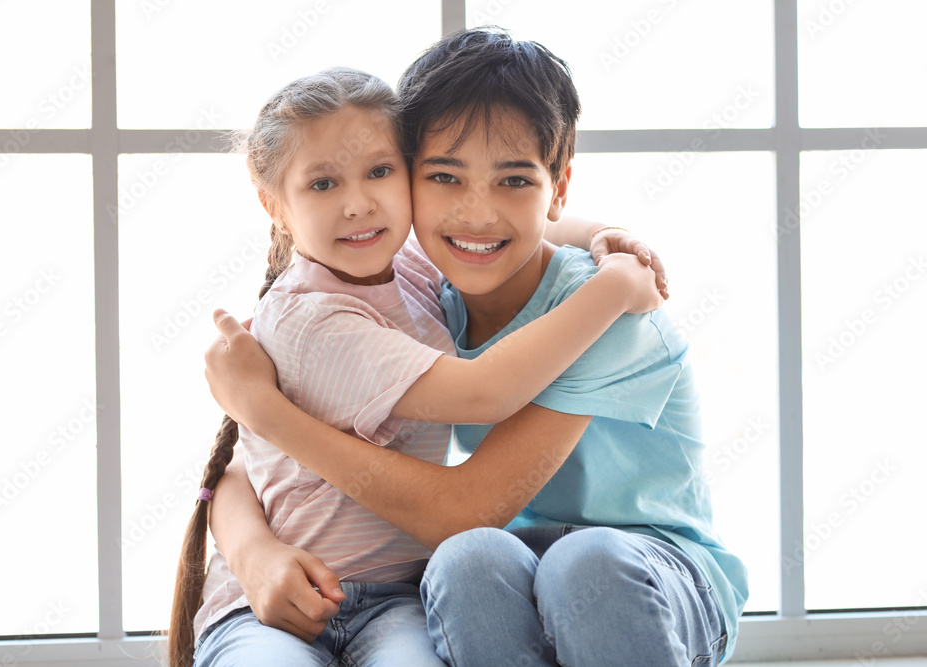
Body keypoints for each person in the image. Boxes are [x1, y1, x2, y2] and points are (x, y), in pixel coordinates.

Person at [204, 28, 749, 666]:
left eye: (514, 181)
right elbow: (251, 464)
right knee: (467, 558)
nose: (477, 215)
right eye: (444, 177)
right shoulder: (427, 286)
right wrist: (253, 550)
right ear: (412, 182)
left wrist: (614, 259)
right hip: (512, 570)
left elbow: (466, 506)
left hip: (649, 576)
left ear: (559, 184)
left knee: (577, 559)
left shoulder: (607, 316)